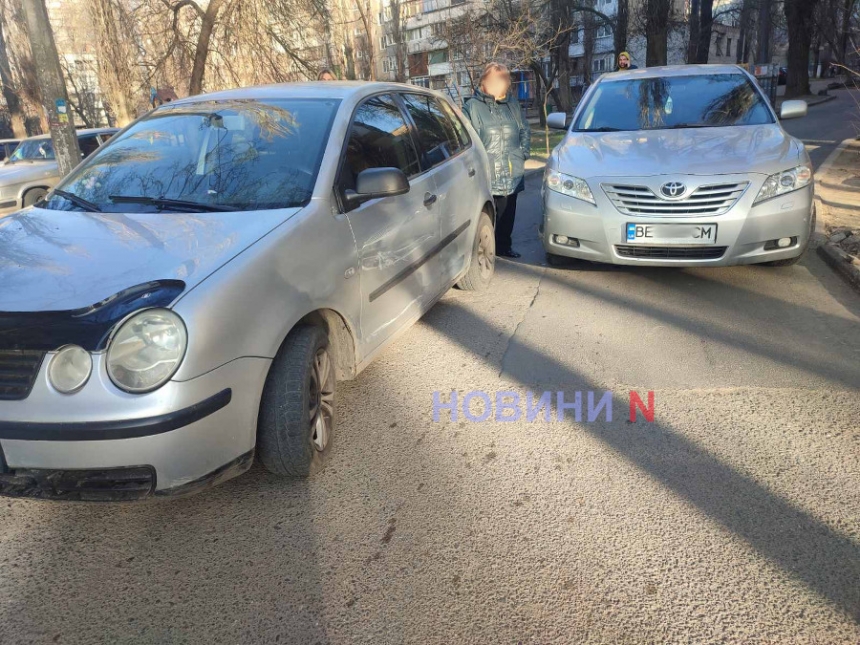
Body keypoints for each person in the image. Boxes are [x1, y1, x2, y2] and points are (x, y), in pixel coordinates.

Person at [462, 62, 530, 259]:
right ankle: (487, 250)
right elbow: (468, 141)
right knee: (490, 214)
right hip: (488, 172)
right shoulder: (472, 107)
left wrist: (522, 153)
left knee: (509, 213)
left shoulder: (512, 104)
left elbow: (524, 129)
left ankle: (504, 246)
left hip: (512, 168)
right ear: (485, 81)